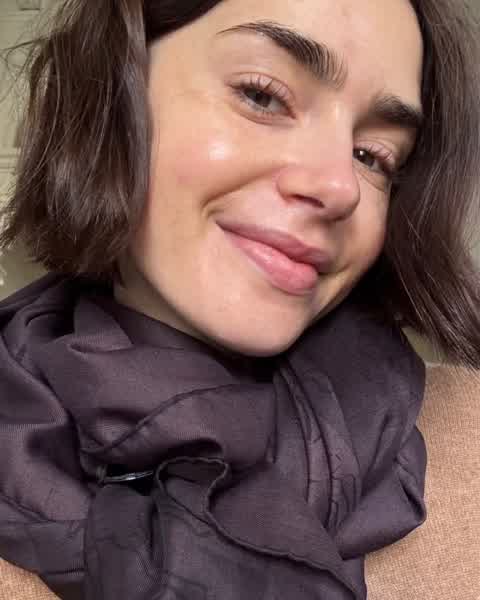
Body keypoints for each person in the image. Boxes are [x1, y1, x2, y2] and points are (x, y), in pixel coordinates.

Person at [0, 1, 478, 599]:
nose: (340, 187)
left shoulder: (469, 433)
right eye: (262, 95)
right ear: (110, 94)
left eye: (373, 156)